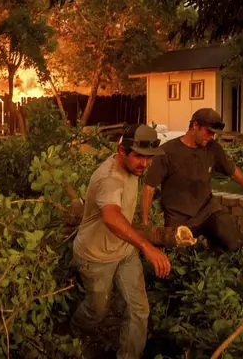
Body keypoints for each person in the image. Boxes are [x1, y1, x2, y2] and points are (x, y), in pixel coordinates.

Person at [71, 123, 170, 359]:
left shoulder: (132, 167)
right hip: (95, 256)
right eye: (139, 157)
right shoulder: (109, 178)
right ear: (122, 150)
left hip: (124, 251)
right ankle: (74, 331)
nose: (144, 164)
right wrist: (146, 246)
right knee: (97, 311)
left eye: (149, 158)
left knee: (139, 310)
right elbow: (111, 215)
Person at [141, 108, 243, 251]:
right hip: (178, 218)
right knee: (180, 262)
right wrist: (145, 223)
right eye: (209, 132)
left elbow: (233, 172)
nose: (211, 137)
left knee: (234, 242)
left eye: (214, 134)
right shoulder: (167, 152)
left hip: (208, 211)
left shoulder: (213, 148)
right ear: (195, 126)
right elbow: (149, 187)